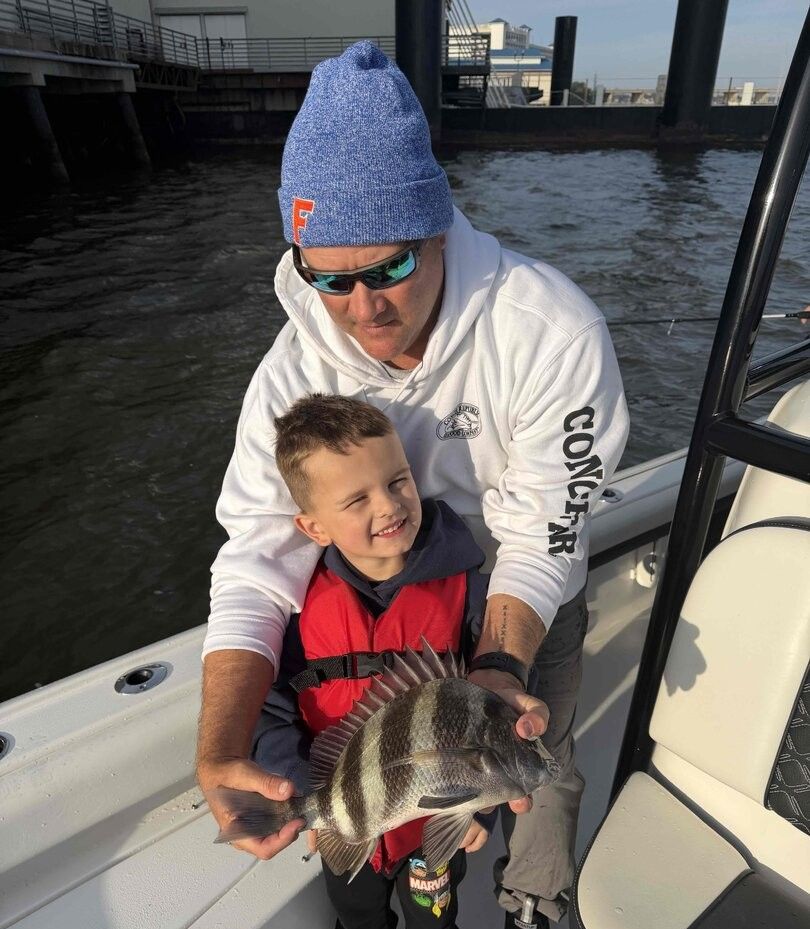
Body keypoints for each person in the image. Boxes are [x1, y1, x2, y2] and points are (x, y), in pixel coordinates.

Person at [196, 41, 629, 928]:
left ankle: (536, 899)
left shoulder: (552, 331)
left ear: (439, 230)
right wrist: (220, 747)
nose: (363, 308)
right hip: (381, 605)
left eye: (390, 267)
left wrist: (500, 665)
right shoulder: (287, 371)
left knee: (540, 761)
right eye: (330, 278)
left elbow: (545, 529)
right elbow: (255, 557)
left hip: (516, 582)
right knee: (394, 787)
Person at [254, 392, 495, 928]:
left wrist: (478, 807)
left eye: (397, 481)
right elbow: (270, 712)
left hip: (434, 825)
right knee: (357, 917)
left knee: (433, 920)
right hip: (342, 816)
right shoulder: (296, 609)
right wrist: (302, 788)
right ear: (314, 528)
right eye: (355, 500)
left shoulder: (471, 593)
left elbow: (491, 720)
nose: (388, 506)